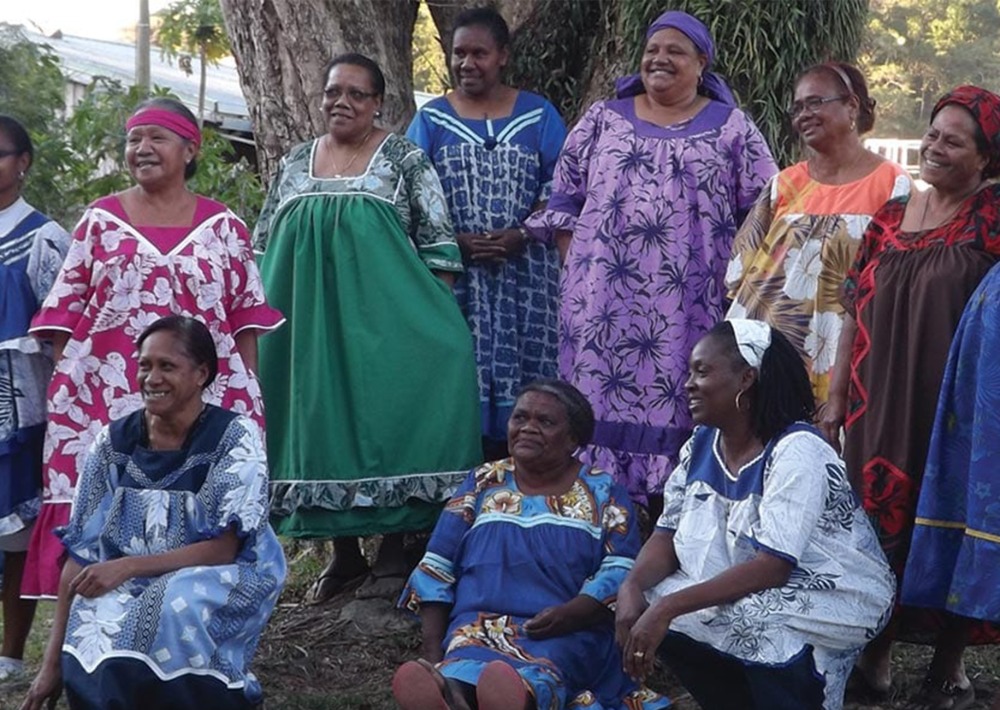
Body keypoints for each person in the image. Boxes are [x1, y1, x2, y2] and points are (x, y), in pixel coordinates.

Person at [23, 98, 283, 600]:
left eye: (156, 138)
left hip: (202, 403)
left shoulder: (224, 228)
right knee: (100, 510)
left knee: (201, 512)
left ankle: (190, 619)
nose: (141, 149)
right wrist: (74, 387)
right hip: (106, 401)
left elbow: (245, 319)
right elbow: (63, 316)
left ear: (189, 149)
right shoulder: (99, 222)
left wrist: (246, 398)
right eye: (133, 140)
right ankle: (79, 640)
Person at [525, 10, 776, 512]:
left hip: (688, 299)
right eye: (652, 50)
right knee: (594, 402)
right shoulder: (603, 118)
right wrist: (578, 269)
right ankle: (597, 517)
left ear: (701, 63)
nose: (659, 59)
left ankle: (669, 518)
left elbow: (767, 207)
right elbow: (565, 196)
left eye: (675, 51)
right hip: (601, 303)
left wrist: (736, 279)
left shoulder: (732, 129)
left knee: (686, 393)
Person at [254, 53, 481, 603]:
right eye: (334, 92)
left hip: (386, 329)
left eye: (357, 94)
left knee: (388, 426)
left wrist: (425, 328)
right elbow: (262, 246)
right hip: (306, 332)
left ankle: (395, 553)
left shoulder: (403, 160)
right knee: (321, 430)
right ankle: (345, 557)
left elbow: (440, 252)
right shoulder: (293, 163)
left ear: (379, 102)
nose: (343, 102)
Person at [821, 85, 1000, 708]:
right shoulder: (889, 218)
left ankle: (948, 660)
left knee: (951, 519)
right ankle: (876, 655)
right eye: (932, 134)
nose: (935, 146)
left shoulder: (993, 219)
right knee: (872, 527)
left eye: (955, 140)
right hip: (877, 401)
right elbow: (851, 311)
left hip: (957, 408)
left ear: (986, 158)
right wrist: (837, 396)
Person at [616, 320, 894, 710]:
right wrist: (632, 588)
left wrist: (667, 608)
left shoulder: (797, 450)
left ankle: (803, 696)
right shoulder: (701, 444)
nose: (688, 384)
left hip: (829, 592)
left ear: (746, 379)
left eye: (702, 371)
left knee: (750, 622)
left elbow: (774, 567)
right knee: (646, 598)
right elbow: (666, 533)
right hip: (752, 586)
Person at [20, 316, 286, 710]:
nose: (151, 378)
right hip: (135, 575)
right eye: (144, 365)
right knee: (94, 609)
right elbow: (82, 554)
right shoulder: (111, 444)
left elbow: (224, 549)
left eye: (167, 366)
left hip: (225, 572)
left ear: (201, 374)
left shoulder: (234, 437)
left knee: (171, 603)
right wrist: (50, 665)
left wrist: (127, 567)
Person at [392, 379, 669, 710]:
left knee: (538, 674)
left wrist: (574, 612)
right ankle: (449, 692)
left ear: (573, 440)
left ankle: (510, 696)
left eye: (545, 422)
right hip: (480, 627)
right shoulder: (483, 482)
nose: (528, 428)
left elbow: (620, 569)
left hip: (565, 630)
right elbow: (437, 566)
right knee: (462, 666)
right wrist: (434, 653)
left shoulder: (602, 490)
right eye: (520, 418)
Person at [406, 8, 566, 461]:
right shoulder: (432, 121)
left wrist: (523, 232)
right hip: (457, 280)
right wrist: (454, 241)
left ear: (503, 57)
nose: (467, 63)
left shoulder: (539, 116)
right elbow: (411, 196)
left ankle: (523, 490)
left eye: (479, 53)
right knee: (457, 377)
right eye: (459, 53)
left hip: (527, 277)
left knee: (529, 382)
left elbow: (565, 188)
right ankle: (460, 497)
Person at [725, 62, 910, 405]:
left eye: (815, 102)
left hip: (848, 351)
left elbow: (899, 278)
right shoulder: (784, 184)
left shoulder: (892, 184)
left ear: (852, 106)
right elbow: (740, 271)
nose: (803, 114)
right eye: (797, 107)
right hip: (773, 350)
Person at [0, 115, 70, 680]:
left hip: (18, 406)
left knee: (14, 533)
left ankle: (12, 653)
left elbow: (63, 329)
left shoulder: (44, 238)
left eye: (0, 153)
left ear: (24, 163)